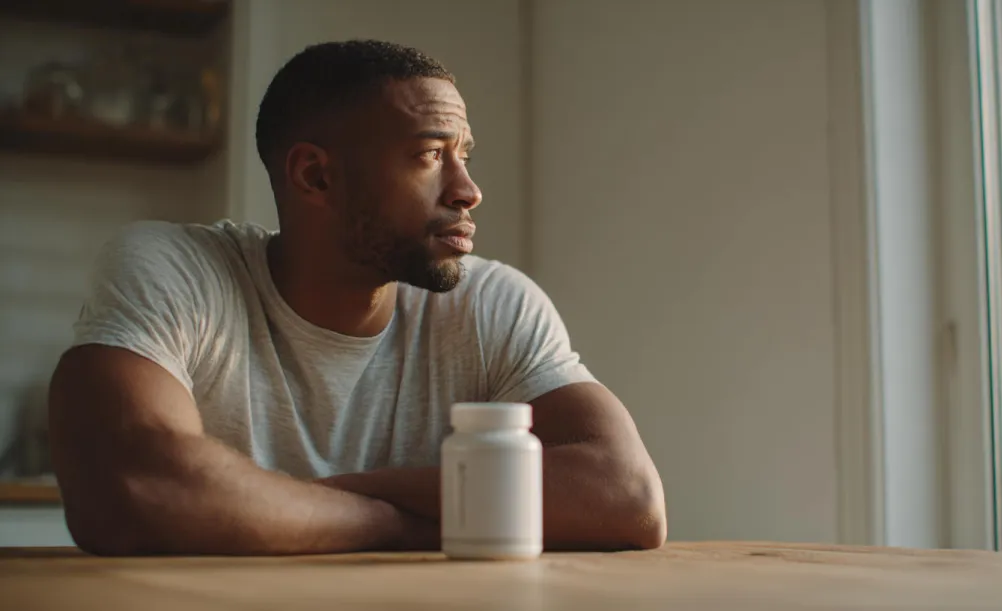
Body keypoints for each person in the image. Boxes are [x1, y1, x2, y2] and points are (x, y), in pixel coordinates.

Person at [47, 40, 666, 556]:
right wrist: (393, 522)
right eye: (429, 155)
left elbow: (627, 497)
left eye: (464, 155)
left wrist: (323, 498)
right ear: (315, 176)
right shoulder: (177, 271)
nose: (468, 190)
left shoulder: (492, 302)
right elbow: (132, 490)